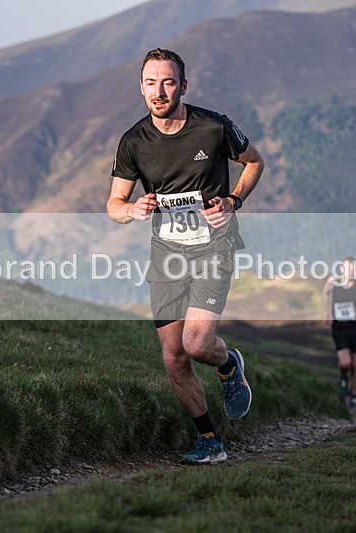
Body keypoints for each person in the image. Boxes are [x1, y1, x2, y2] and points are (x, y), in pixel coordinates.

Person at [106, 48, 264, 465]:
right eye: (151, 83)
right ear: (141, 88)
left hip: (215, 246)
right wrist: (132, 210)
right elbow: (114, 203)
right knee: (173, 355)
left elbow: (254, 162)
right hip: (167, 255)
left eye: (168, 82)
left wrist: (233, 200)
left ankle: (229, 364)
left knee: (196, 344)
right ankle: (210, 440)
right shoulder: (133, 141)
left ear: (183, 86)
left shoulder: (213, 126)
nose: (160, 91)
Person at [321, 256, 356, 407]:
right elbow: (324, 293)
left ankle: (354, 396)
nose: (349, 272)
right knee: (345, 362)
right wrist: (327, 311)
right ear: (341, 269)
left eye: (352, 269)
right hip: (339, 327)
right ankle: (343, 375)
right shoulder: (333, 281)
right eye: (347, 269)